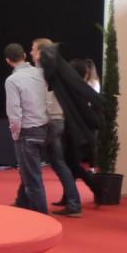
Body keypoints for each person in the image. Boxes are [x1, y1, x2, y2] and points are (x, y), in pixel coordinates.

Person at [41, 44, 107, 197]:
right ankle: (81, 194)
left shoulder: (72, 91)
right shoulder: (78, 90)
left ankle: (94, 191)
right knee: (70, 164)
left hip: (72, 131)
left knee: (70, 165)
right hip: (74, 131)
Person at [31, 39, 82, 218]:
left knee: (32, 159)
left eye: (34, 49)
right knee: (57, 163)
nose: (31, 53)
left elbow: (45, 100)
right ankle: (73, 202)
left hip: (51, 121)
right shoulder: (55, 72)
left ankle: (29, 201)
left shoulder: (46, 74)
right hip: (57, 121)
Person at [4, 43, 50, 213]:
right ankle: (22, 202)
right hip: (44, 127)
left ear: (8, 61)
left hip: (27, 131)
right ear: (24, 55)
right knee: (29, 172)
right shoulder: (40, 73)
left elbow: (14, 112)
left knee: (32, 177)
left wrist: (15, 134)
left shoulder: (12, 80)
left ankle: (42, 216)